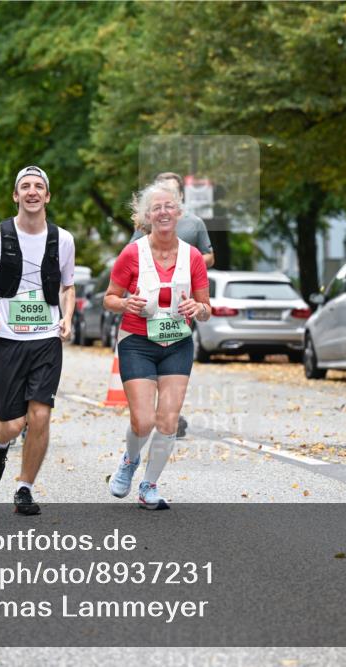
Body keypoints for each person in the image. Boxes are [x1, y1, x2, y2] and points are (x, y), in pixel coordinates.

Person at [0, 166, 75, 516]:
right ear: (16, 195)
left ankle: (24, 487)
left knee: (40, 415)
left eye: (38, 186)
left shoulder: (64, 239)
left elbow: (68, 286)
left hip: (46, 338)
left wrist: (68, 318)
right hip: (7, 339)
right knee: (13, 423)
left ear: (47, 196)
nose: (32, 191)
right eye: (25, 186)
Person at [104, 181, 211, 510]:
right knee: (143, 421)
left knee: (167, 421)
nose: (163, 212)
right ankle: (129, 460)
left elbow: (206, 309)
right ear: (146, 216)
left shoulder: (193, 258)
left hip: (178, 343)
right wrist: (125, 305)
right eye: (156, 208)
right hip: (137, 342)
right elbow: (109, 298)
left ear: (179, 212)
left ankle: (149, 486)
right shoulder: (131, 254)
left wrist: (198, 309)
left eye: (169, 206)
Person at [129, 171, 215, 438]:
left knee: (174, 357)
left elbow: (210, 255)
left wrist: (189, 261)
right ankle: (154, 409)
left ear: (180, 196)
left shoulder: (194, 223)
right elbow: (131, 256)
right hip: (152, 306)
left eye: (172, 192)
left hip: (182, 305)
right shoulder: (147, 221)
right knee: (148, 359)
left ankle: (169, 413)